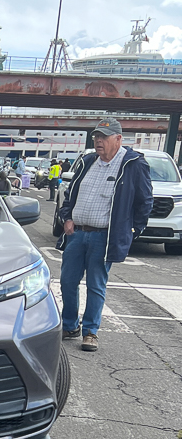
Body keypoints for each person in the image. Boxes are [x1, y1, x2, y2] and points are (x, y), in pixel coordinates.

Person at [57, 117, 153, 353]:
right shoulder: (88, 161)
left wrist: (132, 230)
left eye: (104, 137)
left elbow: (145, 201)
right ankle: (70, 325)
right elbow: (71, 194)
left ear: (118, 139)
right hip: (77, 234)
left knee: (95, 285)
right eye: (96, 137)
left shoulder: (133, 164)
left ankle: (91, 332)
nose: (98, 141)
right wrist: (67, 218)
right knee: (67, 281)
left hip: (104, 237)